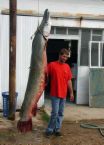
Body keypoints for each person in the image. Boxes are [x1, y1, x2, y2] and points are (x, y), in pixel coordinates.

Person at [45, 48, 74, 137]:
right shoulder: (51, 65)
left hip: (63, 94)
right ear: (60, 55)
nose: (65, 58)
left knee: (61, 113)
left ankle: (57, 129)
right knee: (54, 113)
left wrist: (71, 93)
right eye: (64, 56)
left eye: (66, 57)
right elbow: (44, 74)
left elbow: (69, 80)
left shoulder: (67, 67)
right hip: (54, 93)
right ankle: (49, 130)